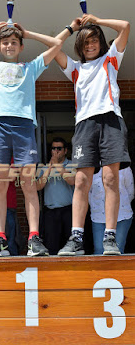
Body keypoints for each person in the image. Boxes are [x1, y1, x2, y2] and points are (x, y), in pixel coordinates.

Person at [0, 21, 62, 257]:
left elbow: (57, 44)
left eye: (14, 42)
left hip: (24, 126)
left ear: (21, 46)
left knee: (28, 185)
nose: (9, 45)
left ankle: (34, 239)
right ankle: (0, 239)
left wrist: (28, 32)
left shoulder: (31, 67)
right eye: (5, 42)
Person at [54, 14, 130, 256]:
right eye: (85, 42)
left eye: (94, 40)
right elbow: (54, 47)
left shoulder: (110, 59)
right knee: (82, 181)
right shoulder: (75, 69)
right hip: (84, 125)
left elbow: (125, 26)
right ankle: (76, 238)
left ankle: (110, 238)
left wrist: (96, 20)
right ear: (80, 46)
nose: (90, 45)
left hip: (110, 120)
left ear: (101, 43)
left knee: (110, 180)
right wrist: (70, 28)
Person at [37, 137, 75, 255]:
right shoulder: (44, 167)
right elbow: (38, 186)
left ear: (65, 151)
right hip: (50, 212)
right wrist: (49, 167)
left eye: (59, 148)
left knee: (70, 246)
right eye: (53, 148)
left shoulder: (72, 165)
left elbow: (72, 181)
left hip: (68, 210)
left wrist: (58, 165)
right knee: (51, 246)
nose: (56, 151)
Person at [89, 167, 134, 254]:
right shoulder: (92, 166)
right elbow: (88, 192)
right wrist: (96, 207)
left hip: (121, 215)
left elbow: (130, 191)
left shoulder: (124, 167)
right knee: (99, 250)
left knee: (118, 249)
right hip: (99, 217)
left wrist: (120, 206)